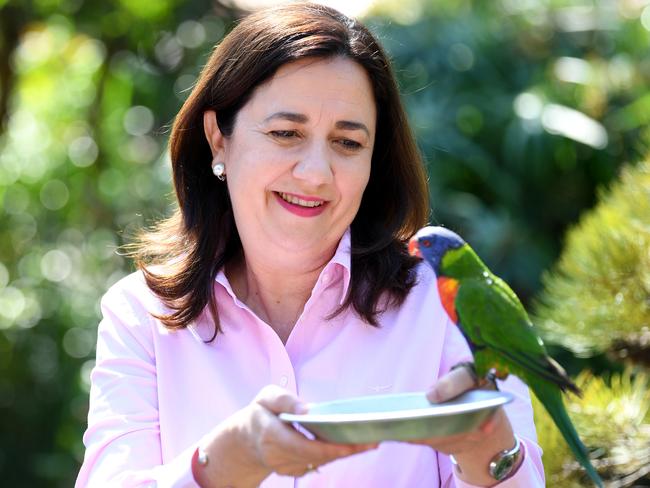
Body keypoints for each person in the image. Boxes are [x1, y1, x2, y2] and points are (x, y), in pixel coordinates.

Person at [76, 3, 545, 487]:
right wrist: (222, 462)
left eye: (347, 143)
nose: (316, 173)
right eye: (285, 133)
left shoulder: (446, 303)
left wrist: (488, 452)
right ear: (219, 139)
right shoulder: (140, 317)